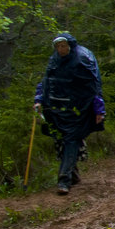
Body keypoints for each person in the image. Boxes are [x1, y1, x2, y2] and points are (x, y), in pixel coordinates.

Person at [34, 33, 105, 195]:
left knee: (71, 139)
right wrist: (39, 100)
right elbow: (46, 82)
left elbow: (94, 86)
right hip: (56, 108)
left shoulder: (82, 60)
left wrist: (98, 109)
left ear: (70, 46)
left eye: (64, 46)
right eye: (58, 46)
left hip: (78, 110)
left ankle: (64, 180)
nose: (61, 49)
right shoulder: (54, 61)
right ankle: (73, 174)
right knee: (61, 140)